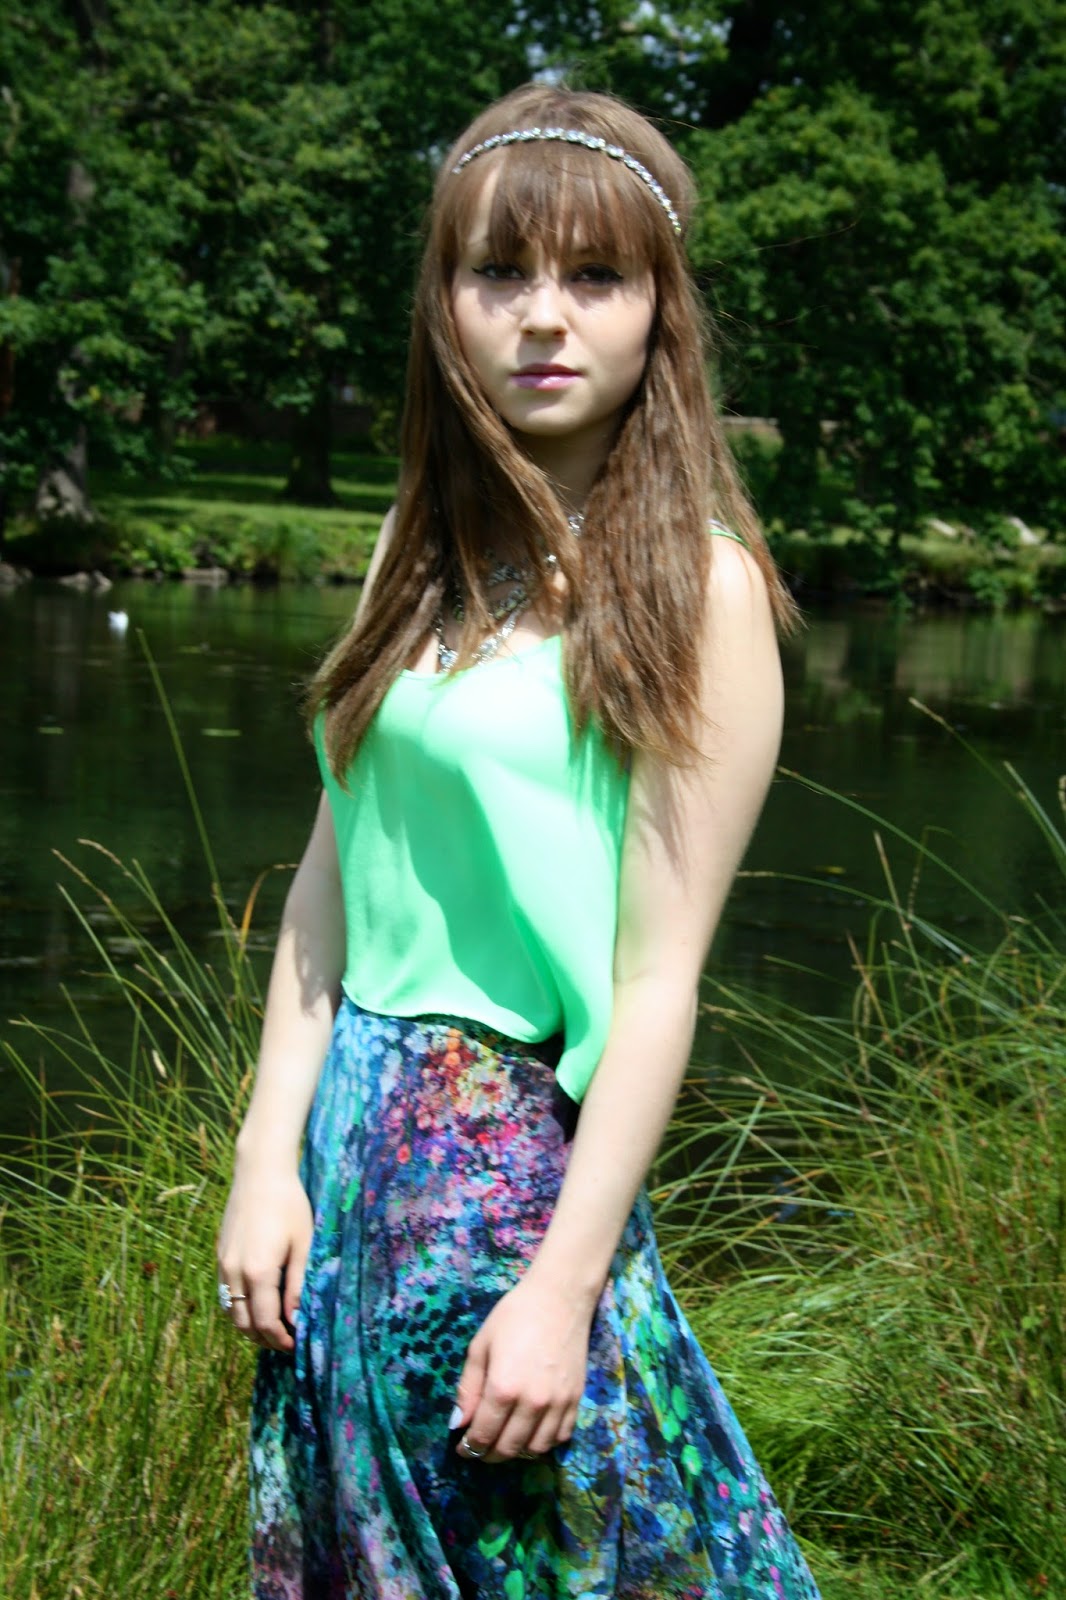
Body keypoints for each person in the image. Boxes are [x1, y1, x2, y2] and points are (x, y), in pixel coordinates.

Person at [217, 81, 822, 1600]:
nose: (544, 316)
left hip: (519, 1179)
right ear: (444, 299)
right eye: (500, 271)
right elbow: (326, 887)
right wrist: (264, 1159)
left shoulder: (703, 593)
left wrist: (561, 1289)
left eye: (595, 276)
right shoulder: (412, 556)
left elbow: (658, 980)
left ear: (658, 310)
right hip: (346, 1161)